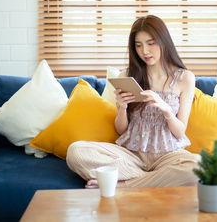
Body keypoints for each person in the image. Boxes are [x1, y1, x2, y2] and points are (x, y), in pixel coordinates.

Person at [66, 15, 199, 188]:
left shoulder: (185, 78)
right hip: (130, 156)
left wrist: (166, 110)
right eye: (139, 45)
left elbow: (180, 132)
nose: (145, 51)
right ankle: (154, 181)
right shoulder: (127, 76)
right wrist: (121, 107)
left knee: (198, 168)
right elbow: (121, 130)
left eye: (151, 43)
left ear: (164, 41)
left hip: (168, 156)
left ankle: (125, 184)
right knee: (75, 151)